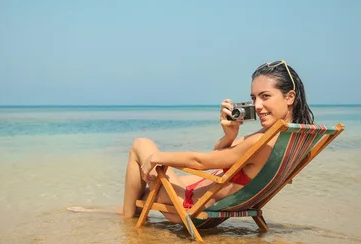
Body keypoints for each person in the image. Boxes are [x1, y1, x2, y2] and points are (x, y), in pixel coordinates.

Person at [121, 60, 314, 222]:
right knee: (142, 195)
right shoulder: (294, 139)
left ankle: (127, 226)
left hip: (192, 208)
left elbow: (201, 162)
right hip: (211, 205)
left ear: (289, 97)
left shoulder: (263, 142)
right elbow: (219, 158)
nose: (257, 106)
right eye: (254, 98)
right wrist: (229, 136)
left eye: (265, 97)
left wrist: (159, 157)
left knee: (141, 144)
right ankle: (124, 214)